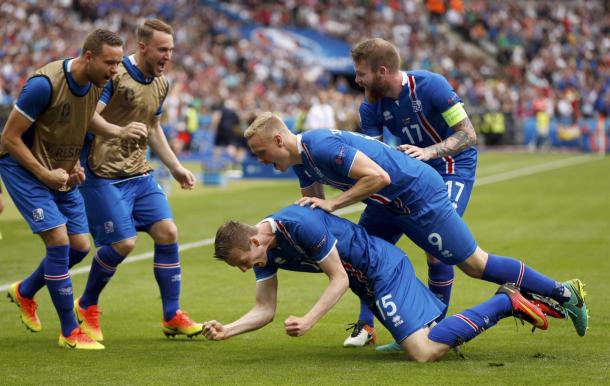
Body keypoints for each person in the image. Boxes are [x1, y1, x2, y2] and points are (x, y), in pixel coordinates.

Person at [243, 113, 589, 344]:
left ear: (277, 140)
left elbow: (379, 177)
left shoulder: (320, 145)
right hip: (386, 202)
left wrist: (333, 204)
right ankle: (385, 328)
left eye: (261, 153)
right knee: (363, 258)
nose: (260, 161)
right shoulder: (303, 163)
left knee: (475, 264)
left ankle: (564, 292)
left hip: (417, 194)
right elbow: (313, 212)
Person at [203, 204, 553, 362]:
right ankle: (505, 302)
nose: (245, 270)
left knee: (423, 351)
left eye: (243, 263)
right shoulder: (266, 253)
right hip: (370, 282)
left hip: (382, 269)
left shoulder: (296, 225)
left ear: (252, 242)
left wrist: (309, 319)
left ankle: (506, 301)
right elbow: (265, 309)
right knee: (434, 339)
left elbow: (338, 279)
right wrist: (228, 330)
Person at [0, 29, 146, 350]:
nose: (114, 71)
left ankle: (25, 292)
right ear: (89, 56)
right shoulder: (44, 85)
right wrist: (44, 173)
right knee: (59, 241)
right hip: (23, 168)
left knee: (80, 247)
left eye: (118, 63)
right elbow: (8, 139)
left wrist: (78, 160)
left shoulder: (97, 84)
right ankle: (70, 331)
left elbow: (83, 122)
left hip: (61, 168)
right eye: (110, 62)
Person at [74, 19, 202, 342]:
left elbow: (153, 127)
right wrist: (119, 132)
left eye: (171, 50)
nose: (168, 56)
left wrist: (175, 167)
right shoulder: (113, 77)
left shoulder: (162, 83)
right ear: (142, 47)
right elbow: (88, 118)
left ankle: (172, 315)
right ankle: (86, 305)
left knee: (168, 231)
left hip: (139, 173)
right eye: (162, 50)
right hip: (102, 173)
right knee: (123, 243)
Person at [350, 37, 479, 347]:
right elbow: (373, 155)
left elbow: (468, 134)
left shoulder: (431, 85)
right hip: (411, 173)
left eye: (361, 73)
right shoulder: (371, 106)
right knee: (365, 245)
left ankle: (433, 329)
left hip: (451, 166)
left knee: (438, 247)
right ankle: (366, 325)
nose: (356, 80)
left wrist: (430, 152)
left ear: (382, 71)